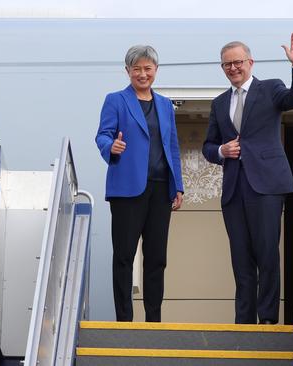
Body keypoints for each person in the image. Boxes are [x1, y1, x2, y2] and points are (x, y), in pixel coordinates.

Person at [202, 32, 293, 324]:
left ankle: (267, 319)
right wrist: (222, 151)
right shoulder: (219, 103)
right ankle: (244, 321)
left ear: (250, 62)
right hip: (234, 189)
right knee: (241, 258)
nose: (233, 68)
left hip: (266, 185)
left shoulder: (271, 88)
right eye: (227, 64)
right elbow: (208, 147)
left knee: (266, 253)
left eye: (238, 62)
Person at [96, 45, 184, 322]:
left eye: (148, 68)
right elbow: (102, 135)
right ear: (128, 71)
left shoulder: (165, 105)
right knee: (124, 255)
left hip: (160, 189)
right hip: (127, 190)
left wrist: (177, 186)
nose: (142, 74)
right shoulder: (115, 100)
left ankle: (153, 320)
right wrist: (112, 146)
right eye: (137, 69)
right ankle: (124, 319)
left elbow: (172, 146)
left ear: (156, 70)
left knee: (157, 257)